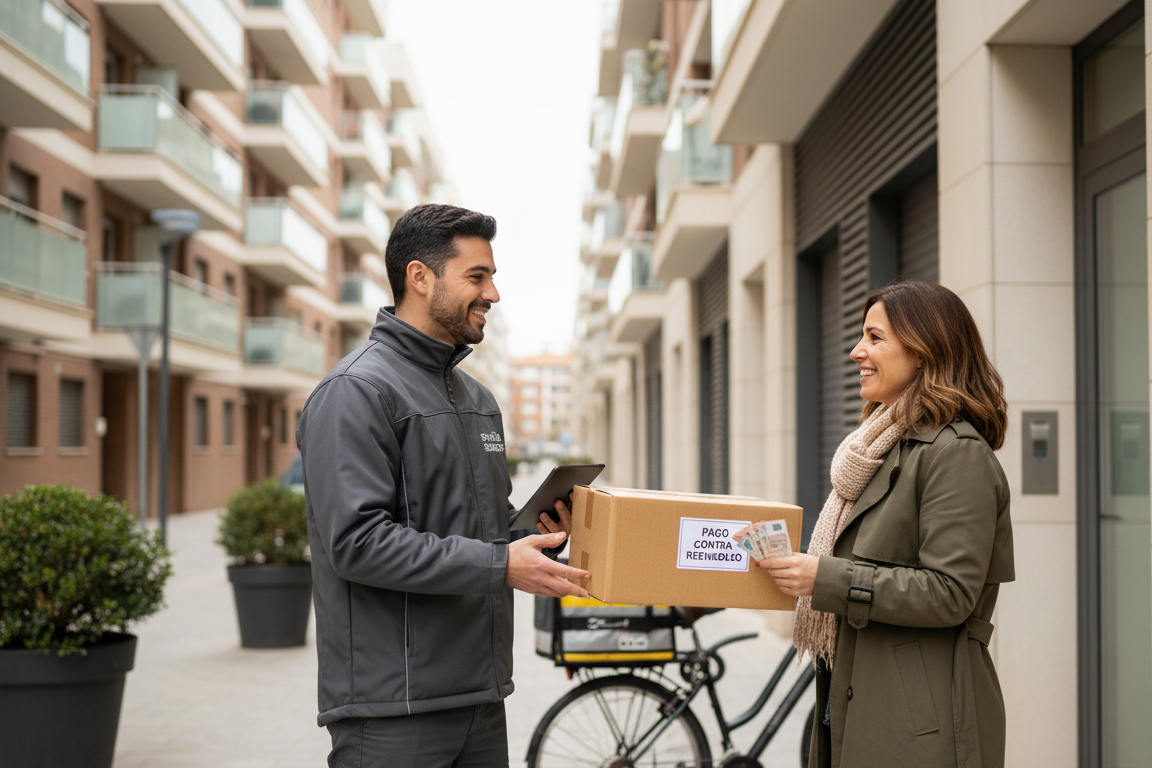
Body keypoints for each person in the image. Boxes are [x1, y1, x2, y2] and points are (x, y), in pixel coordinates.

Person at [296, 204, 591, 768]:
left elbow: (482, 532)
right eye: (477, 277)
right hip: (391, 712)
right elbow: (357, 542)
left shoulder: (477, 400)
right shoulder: (355, 392)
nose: (494, 294)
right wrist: (501, 565)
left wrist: (535, 533)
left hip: (479, 699)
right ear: (420, 277)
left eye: (493, 278)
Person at [763, 279, 1015, 768]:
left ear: (924, 351)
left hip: (922, 721)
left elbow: (951, 592)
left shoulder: (956, 454)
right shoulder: (881, 447)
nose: (857, 351)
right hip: (860, 697)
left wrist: (825, 577)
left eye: (875, 338)